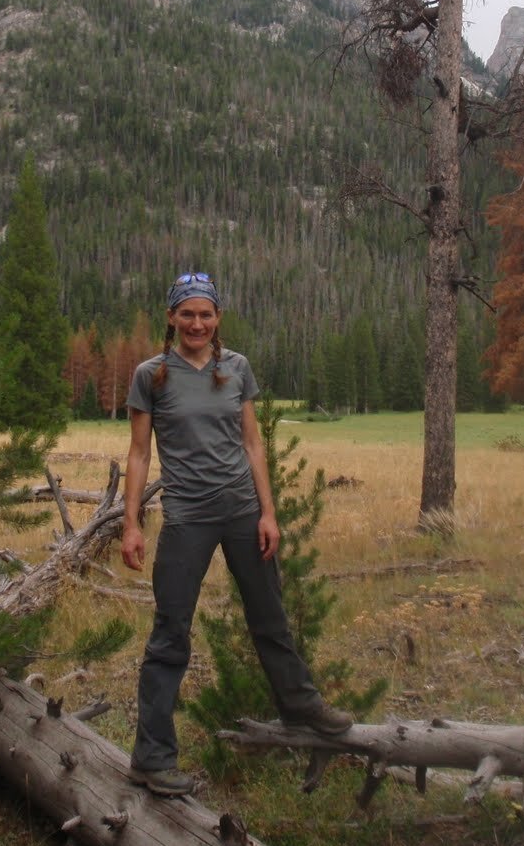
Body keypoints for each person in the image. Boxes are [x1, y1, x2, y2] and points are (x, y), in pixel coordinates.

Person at [120, 271, 352, 797]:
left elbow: (253, 447)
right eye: (187, 314)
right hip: (187, 519)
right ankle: (152, 758)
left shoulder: (237, 369)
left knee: (271, 619)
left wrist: (268, 514)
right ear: (172, 318)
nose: (197, 323)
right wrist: (131, 524)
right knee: (170, 635)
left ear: (217, 319)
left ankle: (302, 707)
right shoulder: (151, 376)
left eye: (206, 314)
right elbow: (138, 455)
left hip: (243, 512)